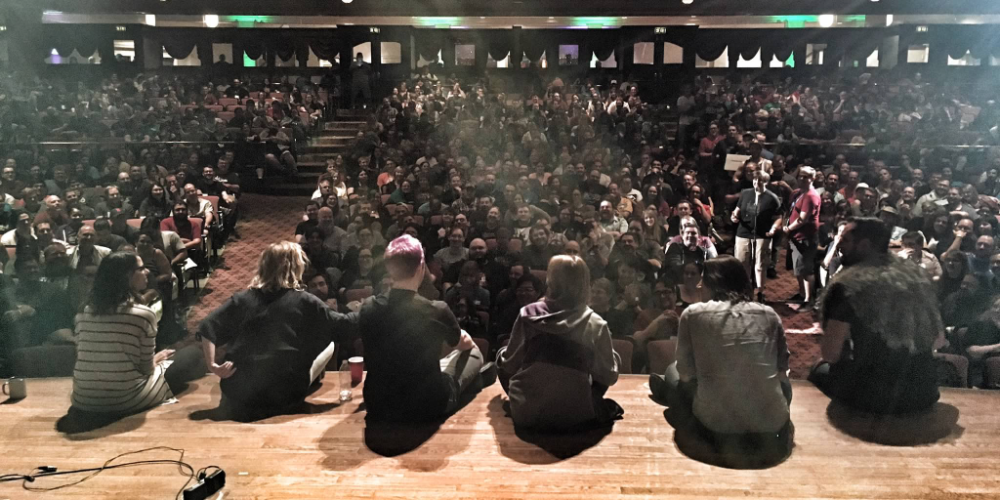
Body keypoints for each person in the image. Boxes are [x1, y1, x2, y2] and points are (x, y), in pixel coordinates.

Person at [650, 255, 792, 463]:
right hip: (771, 429)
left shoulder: (693, 314)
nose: (698, 285)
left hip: (716, 429)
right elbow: (782, 371)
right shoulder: (770, 315)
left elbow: (686, 373)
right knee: (783, 386)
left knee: (673, 372)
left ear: (714, 283)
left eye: (703, 280)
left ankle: (664, 390)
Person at [197, 242, 348, 415]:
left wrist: (213, 366)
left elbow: (207, 326)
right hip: (284, 394)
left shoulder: (242, 299)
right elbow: (342, 326)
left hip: (239, 392)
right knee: (328, 341)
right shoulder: (303, 300)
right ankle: (312, 382)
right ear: (294, 267)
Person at [355, 234, 494, 423]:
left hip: (378, 404)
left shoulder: (368, 307)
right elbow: (464, 344)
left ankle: (468, 381)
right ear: (421, 268)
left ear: (388, 268)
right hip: (426, 406)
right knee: (474, 352)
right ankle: (472, 382)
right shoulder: (436, 309)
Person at [810, 217, 942, 414]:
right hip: (924, 392)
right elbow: (939, 339)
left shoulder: (847, 284)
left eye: (845, 241)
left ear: (863, 245)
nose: (839, 245)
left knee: (818, 370)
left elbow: (831, 353)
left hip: (878, 397)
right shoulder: (917, 274)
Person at [497, 254, 622, 431]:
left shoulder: (528, 314)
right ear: (585, 283)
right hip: (576, 417)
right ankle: (584, 403)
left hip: (527, 415)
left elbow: (509, 365)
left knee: (501, 355)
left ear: (551, 280)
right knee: (612, 359)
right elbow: (609, 376)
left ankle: (522, 400)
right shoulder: (596, 323)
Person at [71, 252, 204, 414]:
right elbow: (146, 369)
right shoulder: (142, 314)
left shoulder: (82, 312)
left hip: (83, 398)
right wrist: (156, 359)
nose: (147, 272)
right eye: (141, 269)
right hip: (127, 398)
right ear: (127, 277)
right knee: (192, 354)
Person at [731, 170, 783, 300]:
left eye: (759, 180)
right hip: (743, 233)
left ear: (765, 182)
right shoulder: (745, 193)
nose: (756, 182)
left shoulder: (772, 198)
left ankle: (760, 292)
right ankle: (746, 291)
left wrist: (773, 229)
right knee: (743, 263)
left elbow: (779, 217)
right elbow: (736, 210)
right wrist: (734, 216)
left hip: (762, 234)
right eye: (755, 180)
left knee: (760, 265)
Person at [785, 166, 821, 310]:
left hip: (806, 237)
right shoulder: (798, 193)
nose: (802, 178)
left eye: (806, 176)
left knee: (806, 270)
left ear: (813, 179)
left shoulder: (811, 195)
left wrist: (788, 228)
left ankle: (809, 300)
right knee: (799, 269)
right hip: (796, 237)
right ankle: (802, 294)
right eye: (800, 175)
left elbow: (802, 219)